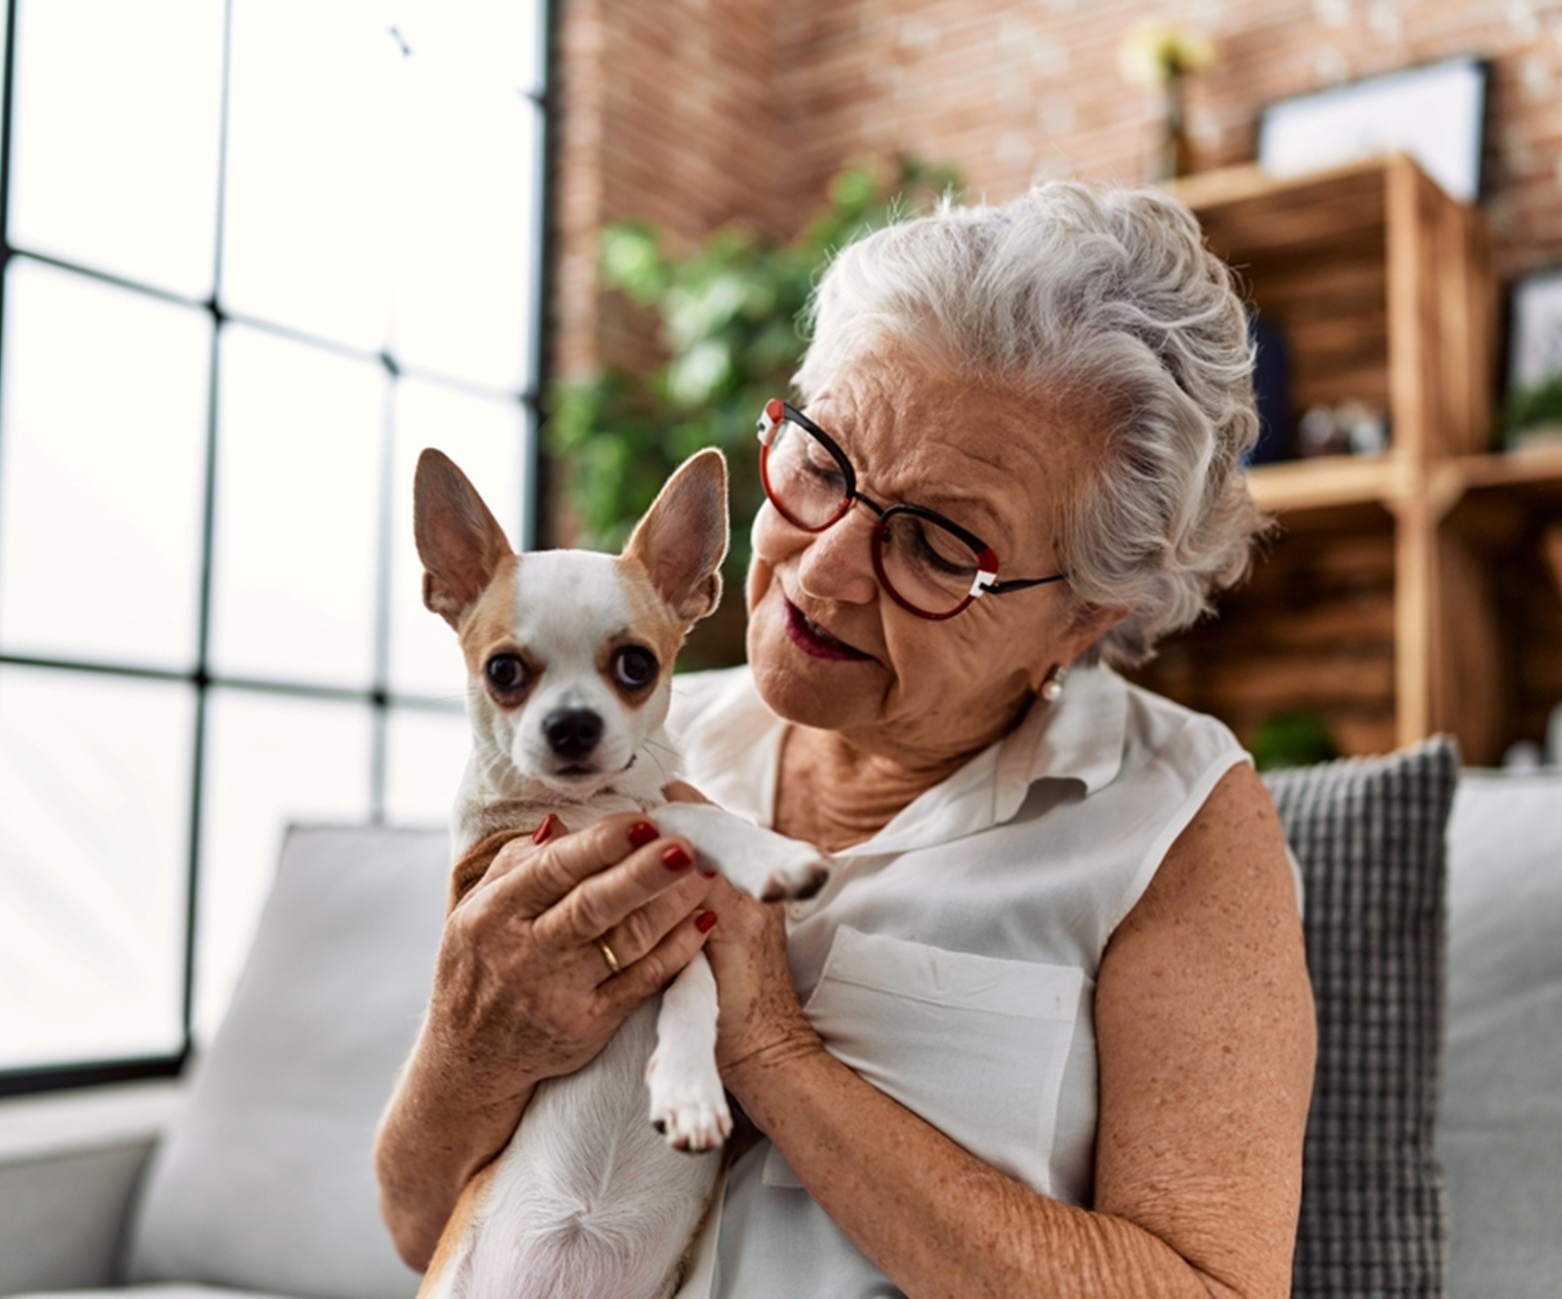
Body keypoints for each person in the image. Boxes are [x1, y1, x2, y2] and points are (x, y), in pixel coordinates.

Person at [375, 180, 1316, 1297]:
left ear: (1083, 618)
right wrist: (473, 1042)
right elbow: (416, 1226)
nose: (819, 571)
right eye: (821, 467)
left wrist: (772, 1050)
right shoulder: (633, 737)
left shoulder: (1172, 817)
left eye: (935, 546)